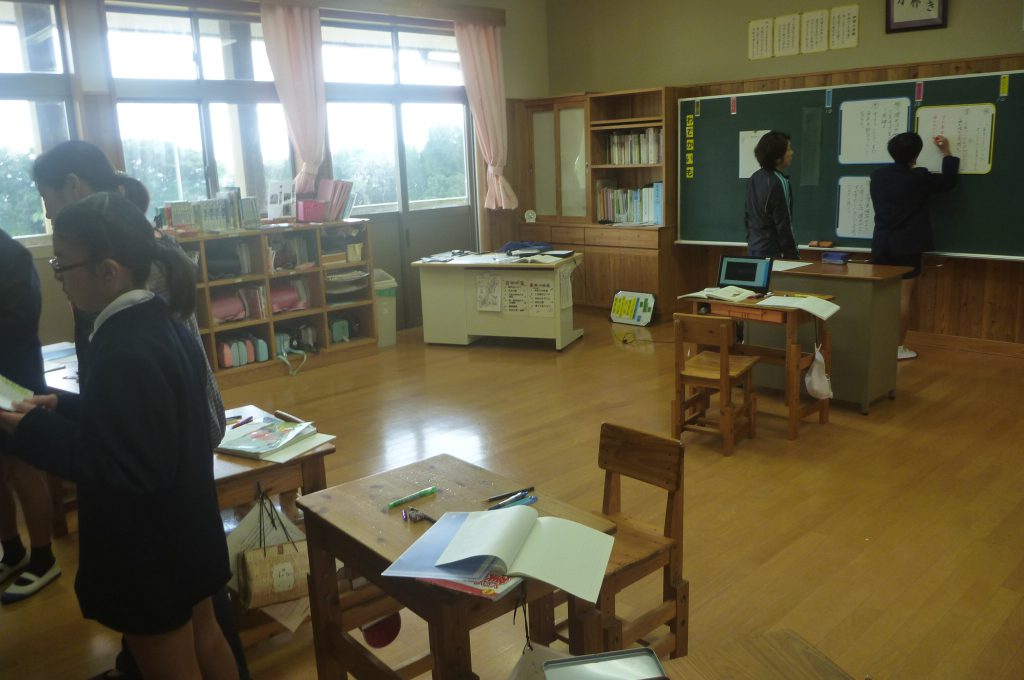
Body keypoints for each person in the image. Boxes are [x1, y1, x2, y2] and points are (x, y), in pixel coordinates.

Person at [0, 193, 238, 680]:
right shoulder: (162, 319)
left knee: (172, 665)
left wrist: (31, 430)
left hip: (148, 551)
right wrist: (63, 406)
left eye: (62, 265)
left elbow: (124, 468)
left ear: (108, 271)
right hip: (188, 526)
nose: (58, 277)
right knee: (208, 639)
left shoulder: (123, 347)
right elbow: (143, 424)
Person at [0, 227, 60, 604]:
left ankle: (43, 558)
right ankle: (12, 551)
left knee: (22, 469)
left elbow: (20, 325)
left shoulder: (13, 257)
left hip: (14, 378)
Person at [870, 132, 959, 360]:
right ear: (916, 155)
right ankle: (897, 348)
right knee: (902, 298)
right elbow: (948, 182)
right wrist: (947, 153)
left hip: (882, 244)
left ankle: (877, 345)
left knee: (881, 297)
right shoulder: (919, 177)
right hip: (908, 245)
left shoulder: (878, 176)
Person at [745, 130, 800, 260]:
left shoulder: (754, 178)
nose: (792, 153)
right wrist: (793, 257)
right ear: (777, 157)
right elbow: (784, 224)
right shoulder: (779, 182)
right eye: (788, 149)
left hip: (754, 249)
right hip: (773, 253)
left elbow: (747, 216)